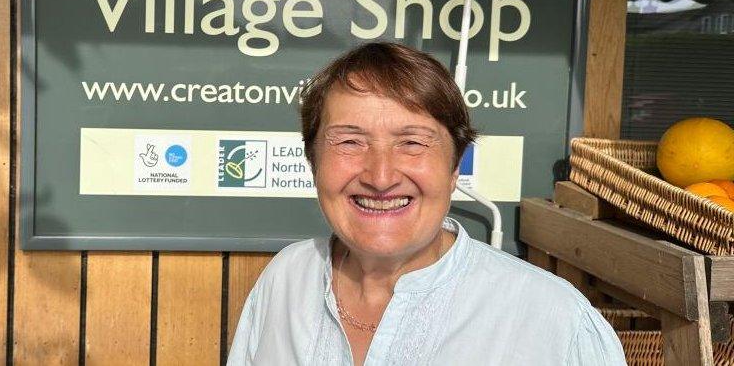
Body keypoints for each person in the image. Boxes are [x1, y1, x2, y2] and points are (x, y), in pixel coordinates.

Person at [227, 42, 626, 365]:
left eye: (412, 143)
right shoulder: (285, 280)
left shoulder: (553, 320)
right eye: (350, 141)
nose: (380, 177)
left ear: (455, 167)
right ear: (313, 161)